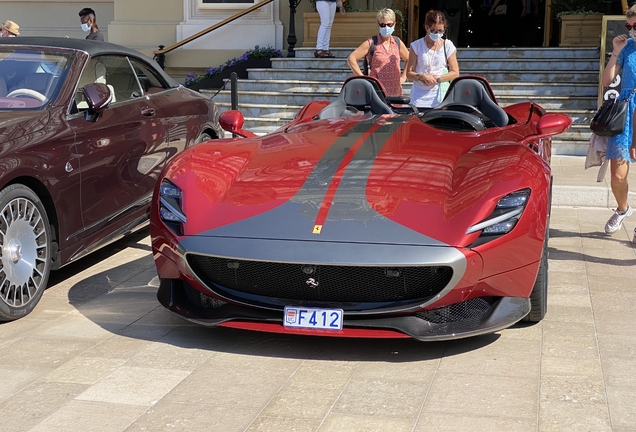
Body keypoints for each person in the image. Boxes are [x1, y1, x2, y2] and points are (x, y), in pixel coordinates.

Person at [600, 4, 636, 234]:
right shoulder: (627, 47)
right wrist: (615, 51)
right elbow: (607, 81)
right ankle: (623, 209)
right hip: (626, 111)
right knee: (617, 175)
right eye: (629, 25)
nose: (632, 30)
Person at [346, 8, 410, 97]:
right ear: (378, 25)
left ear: (394, 25)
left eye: (389, 24)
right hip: (376, 92)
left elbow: (409, 59)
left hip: (395, 92)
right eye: (383, 25)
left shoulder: (397, 42)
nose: (386, 27)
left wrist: (404, 76)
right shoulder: (371, 43)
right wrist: (363, 79)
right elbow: (351, 59)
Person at [405, 10, 459, 108]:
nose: (438, 34)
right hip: (418, 97)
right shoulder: (416, 45)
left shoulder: (447, 45)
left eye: (441, 31)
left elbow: (455, 72)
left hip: (440, 96)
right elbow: (409, 73)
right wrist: (421, 76)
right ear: (427, 28)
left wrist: (438, 79)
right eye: (434, 31)